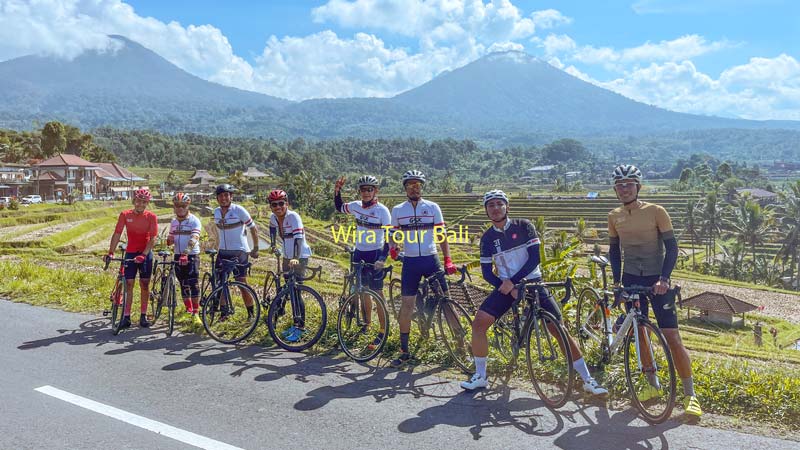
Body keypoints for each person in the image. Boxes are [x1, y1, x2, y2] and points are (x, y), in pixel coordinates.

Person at [460, 190, 608, 395]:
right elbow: (486, 272)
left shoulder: (524, 226)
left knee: (559, 329)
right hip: (506, 287)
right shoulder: (487, 238)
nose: (495, 208)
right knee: (479, 324)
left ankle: (587, 379)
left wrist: (514, 282)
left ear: (507, 207)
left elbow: (534, 259)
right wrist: (506, 286)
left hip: (532, 283)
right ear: (486, 210)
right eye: (490, 205)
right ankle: (480, 376)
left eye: (499, 204)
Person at [608, 164, 702, 417]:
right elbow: (614, 251)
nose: (624, 189)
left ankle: (690, 395)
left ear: (638, 187)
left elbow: (672, 248)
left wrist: (664, 278)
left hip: (657, 279)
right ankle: (652, 386)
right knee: (640, 334)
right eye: (620, 185)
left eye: (629, 184)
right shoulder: (614, 215)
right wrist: (617, 282)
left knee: (672, 336)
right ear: (615, 189)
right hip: (630, 278)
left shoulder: (656, 211)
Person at [388, 170, 458, 368]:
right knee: (407, 305)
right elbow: (393, 234)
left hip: (431, 259)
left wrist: (448, 260)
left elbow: (441, 235)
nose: (414, 187)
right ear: (405, 188)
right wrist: (393, 247)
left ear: (421, 187)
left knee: (447, 301)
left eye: (417, 184)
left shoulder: (433, 207)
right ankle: (404, 351)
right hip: (410, 262)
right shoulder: (398, 210)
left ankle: (461, 345)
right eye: (410, 184)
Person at [334, 175, 391, 350]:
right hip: (359, 253)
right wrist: (337, 190)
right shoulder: (355, 206)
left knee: (378, 293)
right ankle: (367, 325)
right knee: (363, 292)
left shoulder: (382, 211)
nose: (366, 193)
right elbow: (339, 207)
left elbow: (389, 238)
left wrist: (382, 259)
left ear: (376, 191)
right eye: (363, 189)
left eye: (369, 189)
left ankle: (383, 331)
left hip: (375, 254)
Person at [105, 188, 158, 330]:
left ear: (147, 203)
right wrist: (111, 252)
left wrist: (144, 254)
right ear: (134, 201)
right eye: (139, 201)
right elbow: (117, 233)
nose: (141, 204)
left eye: (144, 202)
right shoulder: (125, 215)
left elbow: (153, 238)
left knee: (145, 284)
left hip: (145, 253)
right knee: (129, 284)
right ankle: (126, 317)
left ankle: (143, 315)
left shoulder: (151, 217)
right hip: (130, 252)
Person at [268, 189, 313, 342]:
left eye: (281, 203)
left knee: (296, 290)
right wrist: (273, 245)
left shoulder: (293, 217)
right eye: (274, 204)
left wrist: (295, 258)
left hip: (299, 256)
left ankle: (301, 328)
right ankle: (295, 324)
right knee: (289, 290)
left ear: (286, 203)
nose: (278, 207)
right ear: (271, 206)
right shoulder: (273, 218)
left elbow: (298, 240)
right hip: (287, 256)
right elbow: (272, 230)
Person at [212, 183, 259, 320]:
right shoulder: (216, 212)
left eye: (226, 195)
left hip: (239, 252)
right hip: (223, 252)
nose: (223, 198)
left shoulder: (239, 210)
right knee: (221, 283)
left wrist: (255, 248)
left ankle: (251, 313)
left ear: (231, 196)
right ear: (217, 198)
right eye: (220, 196)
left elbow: (253, 229)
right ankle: (224, 313)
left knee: (242, 283)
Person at [166, 192, 202, 327]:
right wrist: (169, 241)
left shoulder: (194, 220)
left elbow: (194, 238)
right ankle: (188, 309)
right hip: (177, 255)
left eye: (183, 206)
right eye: (177, 206)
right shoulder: (174, 222)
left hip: (191, 255)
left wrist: (186, 253)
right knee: (182, 282)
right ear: (174, 207)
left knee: (193, 283)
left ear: (188, 206)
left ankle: (196, 313)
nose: (180, 208)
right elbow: (171, 238)